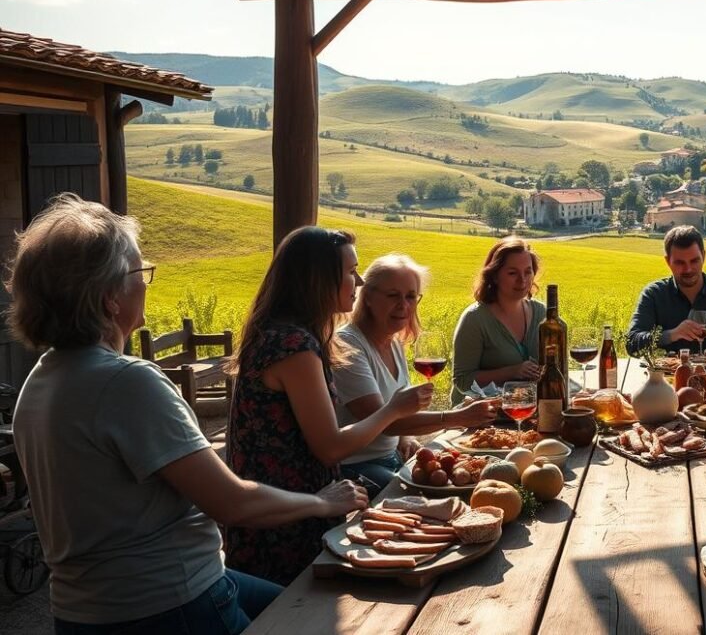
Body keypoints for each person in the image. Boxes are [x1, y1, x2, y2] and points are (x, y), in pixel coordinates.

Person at [8, 195, 367, 634]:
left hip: (84, 609)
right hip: (166, 602)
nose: (146, 284)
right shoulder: (126, 382)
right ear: (108, 297)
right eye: (140, 273)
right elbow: (231, 502)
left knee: (300, 611)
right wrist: (322, 501)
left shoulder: (41, 379)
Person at [225, 227, 433, 585]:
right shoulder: (294, 346)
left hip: (292, 505)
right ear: (320, 280)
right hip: (289, 519)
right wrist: (393, 410)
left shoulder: (283, 333)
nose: (359, 280)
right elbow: (330, 447)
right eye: (351, 271)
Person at [336, 254, 497, 487]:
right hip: (356, 467)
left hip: (392, 457)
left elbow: (398, 409)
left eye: (411, 296)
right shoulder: (348, 345)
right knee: (430, 494)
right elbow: (384, 420)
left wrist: (405, 436)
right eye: (393, 296)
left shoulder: (393, 341)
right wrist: (456, 418)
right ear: (368, 296)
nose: (403, 305)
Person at [626, 225, 706, 358]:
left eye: (694, 261)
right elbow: (632, 343)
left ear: (704, 256)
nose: (688, 269)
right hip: (669, 377)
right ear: (667, 261)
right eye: (680, 263)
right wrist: (671, 335)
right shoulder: (653, 294)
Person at [452, 236, 546, 404]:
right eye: (512, 273)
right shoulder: (475, 319)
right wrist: (512, 372)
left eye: (527, 271)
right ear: (494, 276)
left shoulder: (542, 314)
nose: (522, 280)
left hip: (527, 411)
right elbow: (462, 381)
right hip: (479, 417)